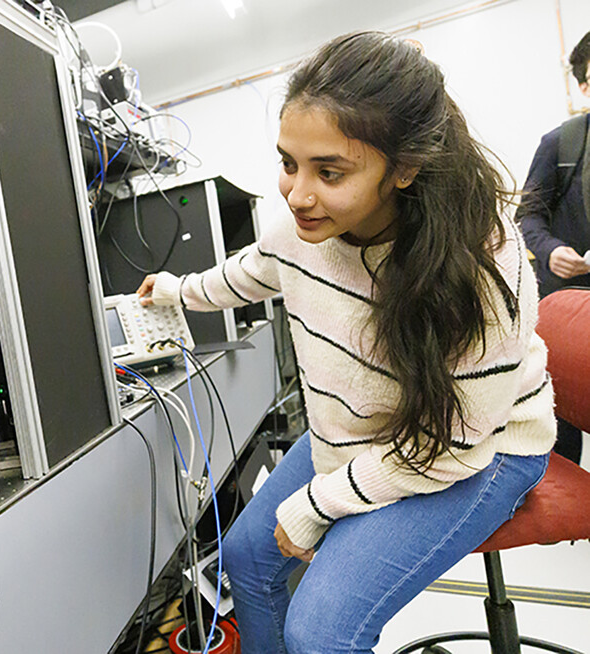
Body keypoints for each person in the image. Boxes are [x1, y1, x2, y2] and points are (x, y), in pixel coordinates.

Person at [137, 32, 555, 653]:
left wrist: (320, 503)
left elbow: (452, 447)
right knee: (247, 563)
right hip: (363, 431)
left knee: (320, 632)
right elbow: (251, 271)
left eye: (329, 172)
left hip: (477, 448)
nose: (298, 194)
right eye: (288, 163)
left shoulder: (480, 268)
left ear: (405, 168)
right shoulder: (304, 228)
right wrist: (176, 291)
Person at [515, 29, 590, 465]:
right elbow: (526, 215)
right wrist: (550, 250)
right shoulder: (561, 143)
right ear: (583, 86)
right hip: (566, 299)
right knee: (564, 409)